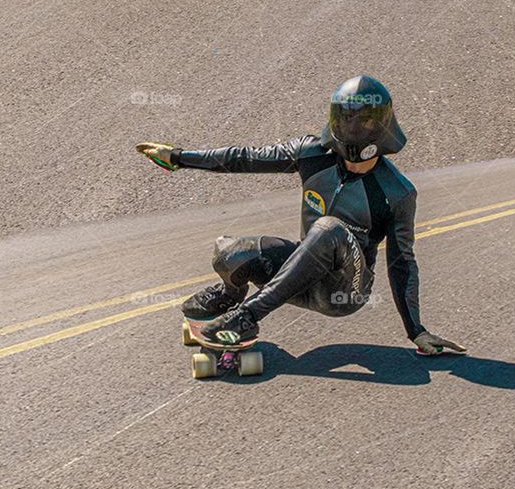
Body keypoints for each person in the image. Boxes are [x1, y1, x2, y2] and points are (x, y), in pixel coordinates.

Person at [136, 75, 466, 356]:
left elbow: (402, 263)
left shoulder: (396, 192)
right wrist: (179, 157)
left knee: (328, 229)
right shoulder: (311, 153)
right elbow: (245, 158)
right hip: (299, 277)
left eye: (362, 120)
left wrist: (416, 331)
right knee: (228, 251)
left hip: (343, 292)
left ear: (380, 126)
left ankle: (246, 316)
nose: (351, 128)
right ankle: (229, 297)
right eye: (345, 117)